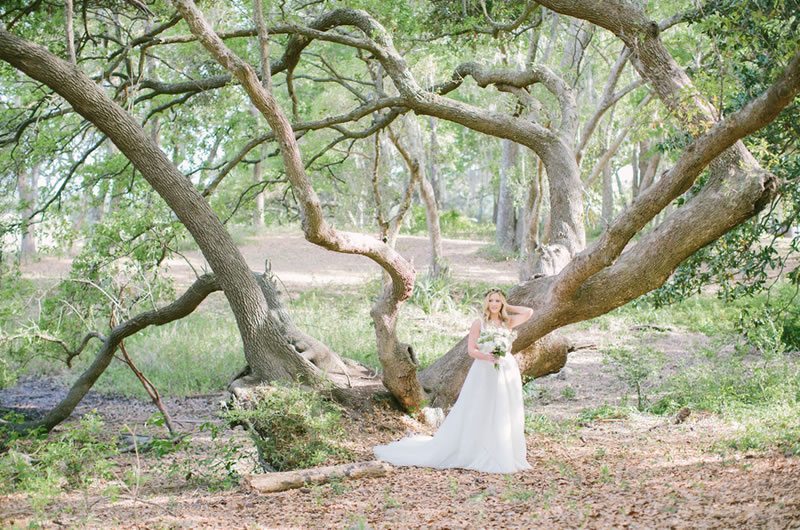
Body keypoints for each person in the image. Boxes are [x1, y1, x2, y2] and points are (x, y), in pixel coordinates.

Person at [374, 288, 534, 473]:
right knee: (481, 407)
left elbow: (528, 312)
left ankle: (502, 447)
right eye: (491, 300)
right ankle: (477, 448)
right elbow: (471, 350)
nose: (494, 304)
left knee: (503, 407)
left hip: (506, 369)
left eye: (498, 301)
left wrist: (508, 306)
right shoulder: (479, 323)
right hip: (484, 369)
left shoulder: (507, 323)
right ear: (486, 303)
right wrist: (486, 355)